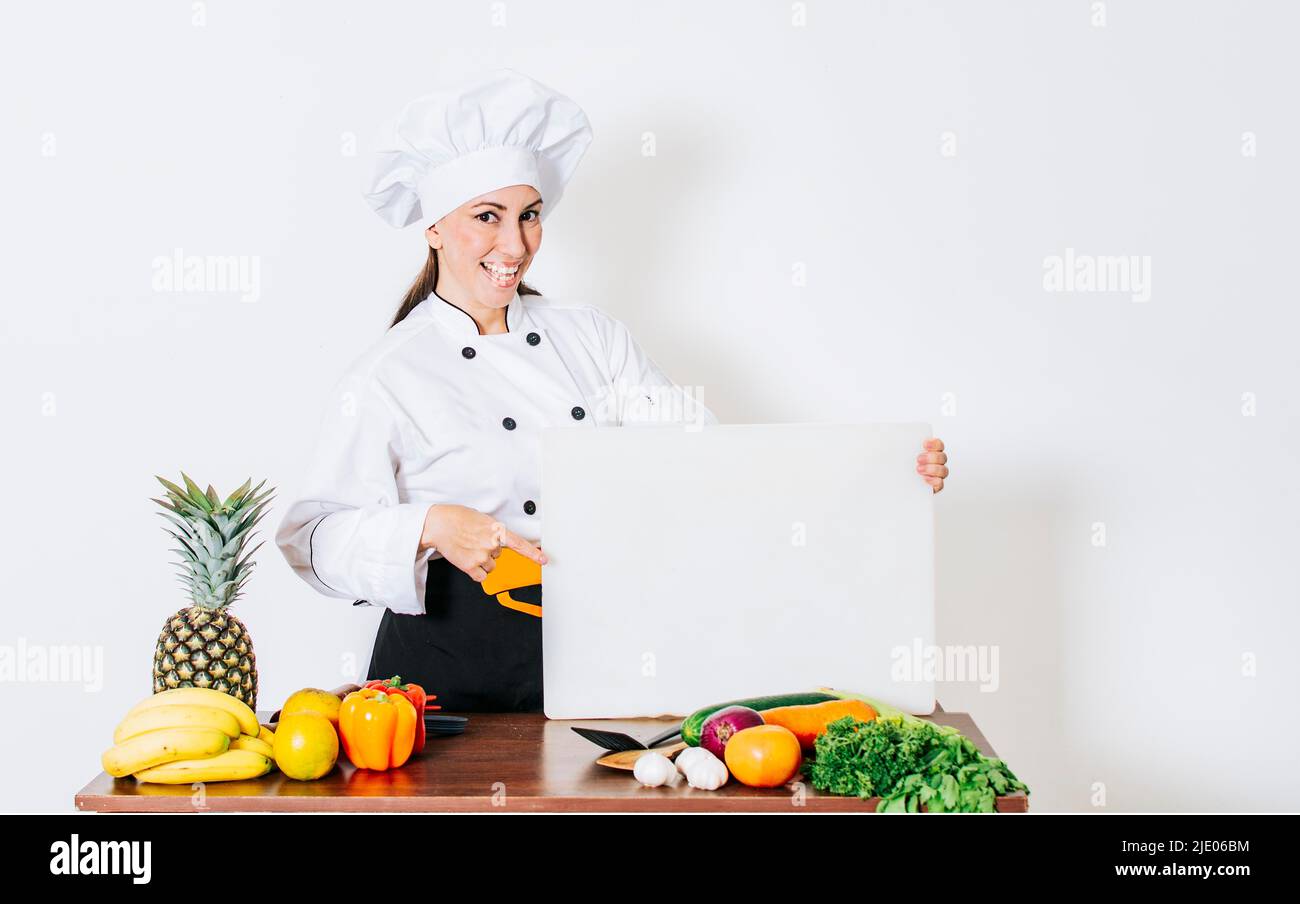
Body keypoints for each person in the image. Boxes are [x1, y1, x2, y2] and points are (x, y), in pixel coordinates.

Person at [275, 69, 949, 713]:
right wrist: (429, 525)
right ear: (432, 227)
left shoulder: (592, 339)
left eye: (530, 215)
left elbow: (711, 461)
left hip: (602, 644)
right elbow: (315, 539)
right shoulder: (389, 372)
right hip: (447, 669)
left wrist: (881, 472)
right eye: (487, 216)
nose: (514, 243)